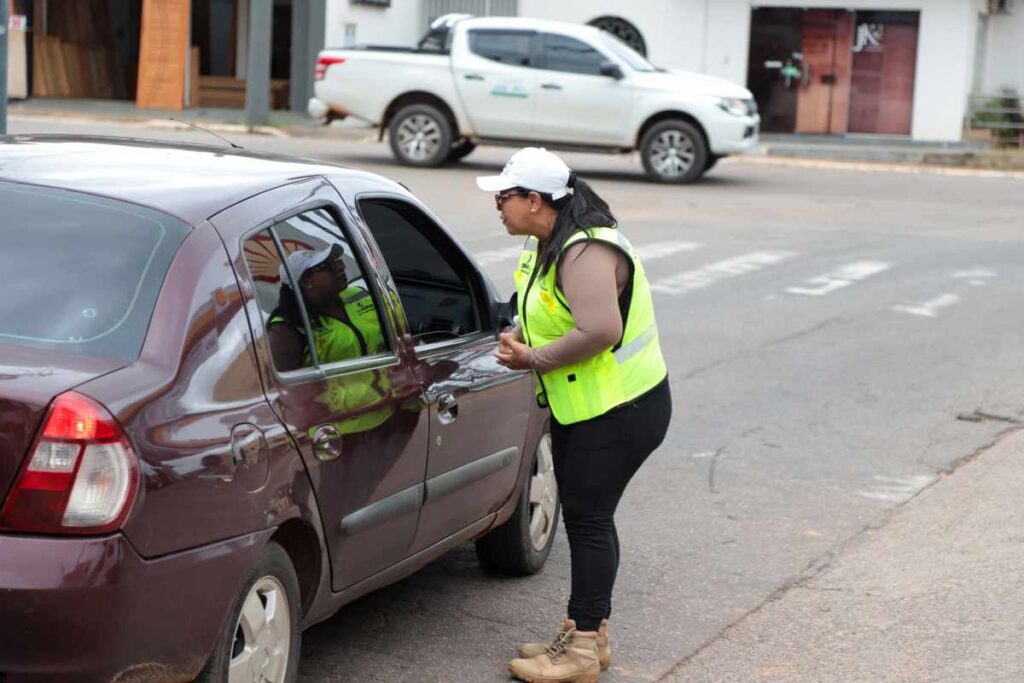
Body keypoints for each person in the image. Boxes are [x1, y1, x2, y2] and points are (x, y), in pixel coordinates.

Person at [478, 148, 673, 683]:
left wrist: (531, 357)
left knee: (588, 521)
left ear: (535, 200)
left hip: (620, 410)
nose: (498, 206)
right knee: (588, 517)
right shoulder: (548, 240)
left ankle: (583, 648)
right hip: (589, 407)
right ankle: (588, 631)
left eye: (504, 197)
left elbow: (601, 330)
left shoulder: (584, 251)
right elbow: (550, 309)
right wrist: (523, 332)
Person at [268, 245, 393, 435]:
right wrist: (385, 385)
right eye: (326, 266)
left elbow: (398, 335)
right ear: (306, 281)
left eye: (336, 261)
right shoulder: (286, 330)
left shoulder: (360, 295)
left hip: (391, 414)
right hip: (340, 435)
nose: (340, 267)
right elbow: (294, 399)